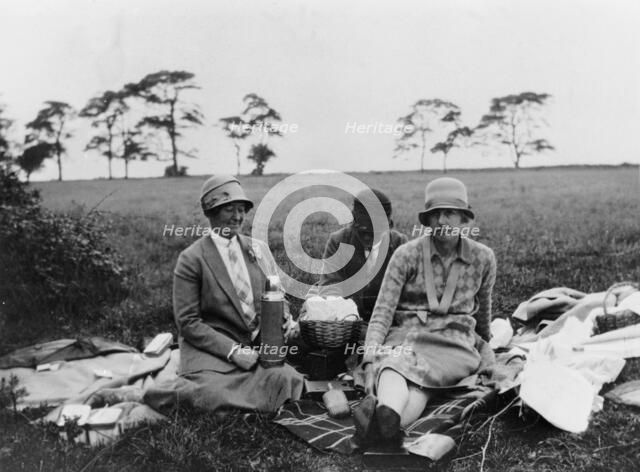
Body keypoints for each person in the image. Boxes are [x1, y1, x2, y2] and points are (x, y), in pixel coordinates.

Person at [353, 177, 497, 446]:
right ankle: (388, 419)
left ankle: (381, 422)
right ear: (427, 220)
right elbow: (383, 311)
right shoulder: (406, 255)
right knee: (393, 364)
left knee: (417, 379)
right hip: (408, 335)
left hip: (454, 343)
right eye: (436, 214)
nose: (443, 221)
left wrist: (486, 346)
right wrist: (370, 354)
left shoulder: (483, 257)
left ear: (464, 218)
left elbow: (483, 312)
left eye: (450, 213)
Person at [152, 175, 304, 412]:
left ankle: (241, 399)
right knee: (211, 393)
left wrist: (283, 318)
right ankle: (165, 393)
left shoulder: (257, 249)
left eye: (242, 209)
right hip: (212, 350)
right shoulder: (192, 259)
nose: (238, 217)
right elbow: (188, 323)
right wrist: (233, 352)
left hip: (255, 347)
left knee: (288, 380)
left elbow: (278, 294)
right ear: (211, 213)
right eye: (229, 210)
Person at [315, 189, 408, 321]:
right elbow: (330, 286)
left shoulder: (400, 244)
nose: (369, 237)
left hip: (388, 319)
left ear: (388, 226)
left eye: (375, 232)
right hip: (348, 320)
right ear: (353, 223)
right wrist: (345, 313)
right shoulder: (338, 242)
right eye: (363, 232)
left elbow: (410, 291)